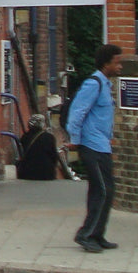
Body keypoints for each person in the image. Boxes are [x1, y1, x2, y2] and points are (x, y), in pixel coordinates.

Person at [66, 44, 124, 253]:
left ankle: (98, 234)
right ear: (106, 63)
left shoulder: (106, 85)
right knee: (101, 190)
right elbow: (77, 113)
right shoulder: (94, 84)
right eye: (117, 62)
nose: (120, 66)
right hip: (91, 146)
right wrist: (75, 139)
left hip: (102, 146)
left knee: (108, 190)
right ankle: (85, 235)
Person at [16, 113, 60, 180]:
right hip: (46, 174)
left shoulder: (24, 137)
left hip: (27, 173)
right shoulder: (49, 137)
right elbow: (54, 156)